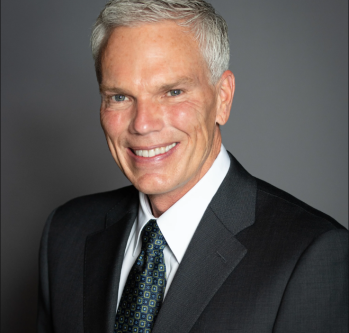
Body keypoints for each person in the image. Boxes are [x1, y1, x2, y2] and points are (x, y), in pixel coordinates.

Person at [37, 1, 348, 332]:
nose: (143, 124)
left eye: (172, 92)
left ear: (222, 98)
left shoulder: (310, 255)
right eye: (120, 97)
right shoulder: (65, 233)